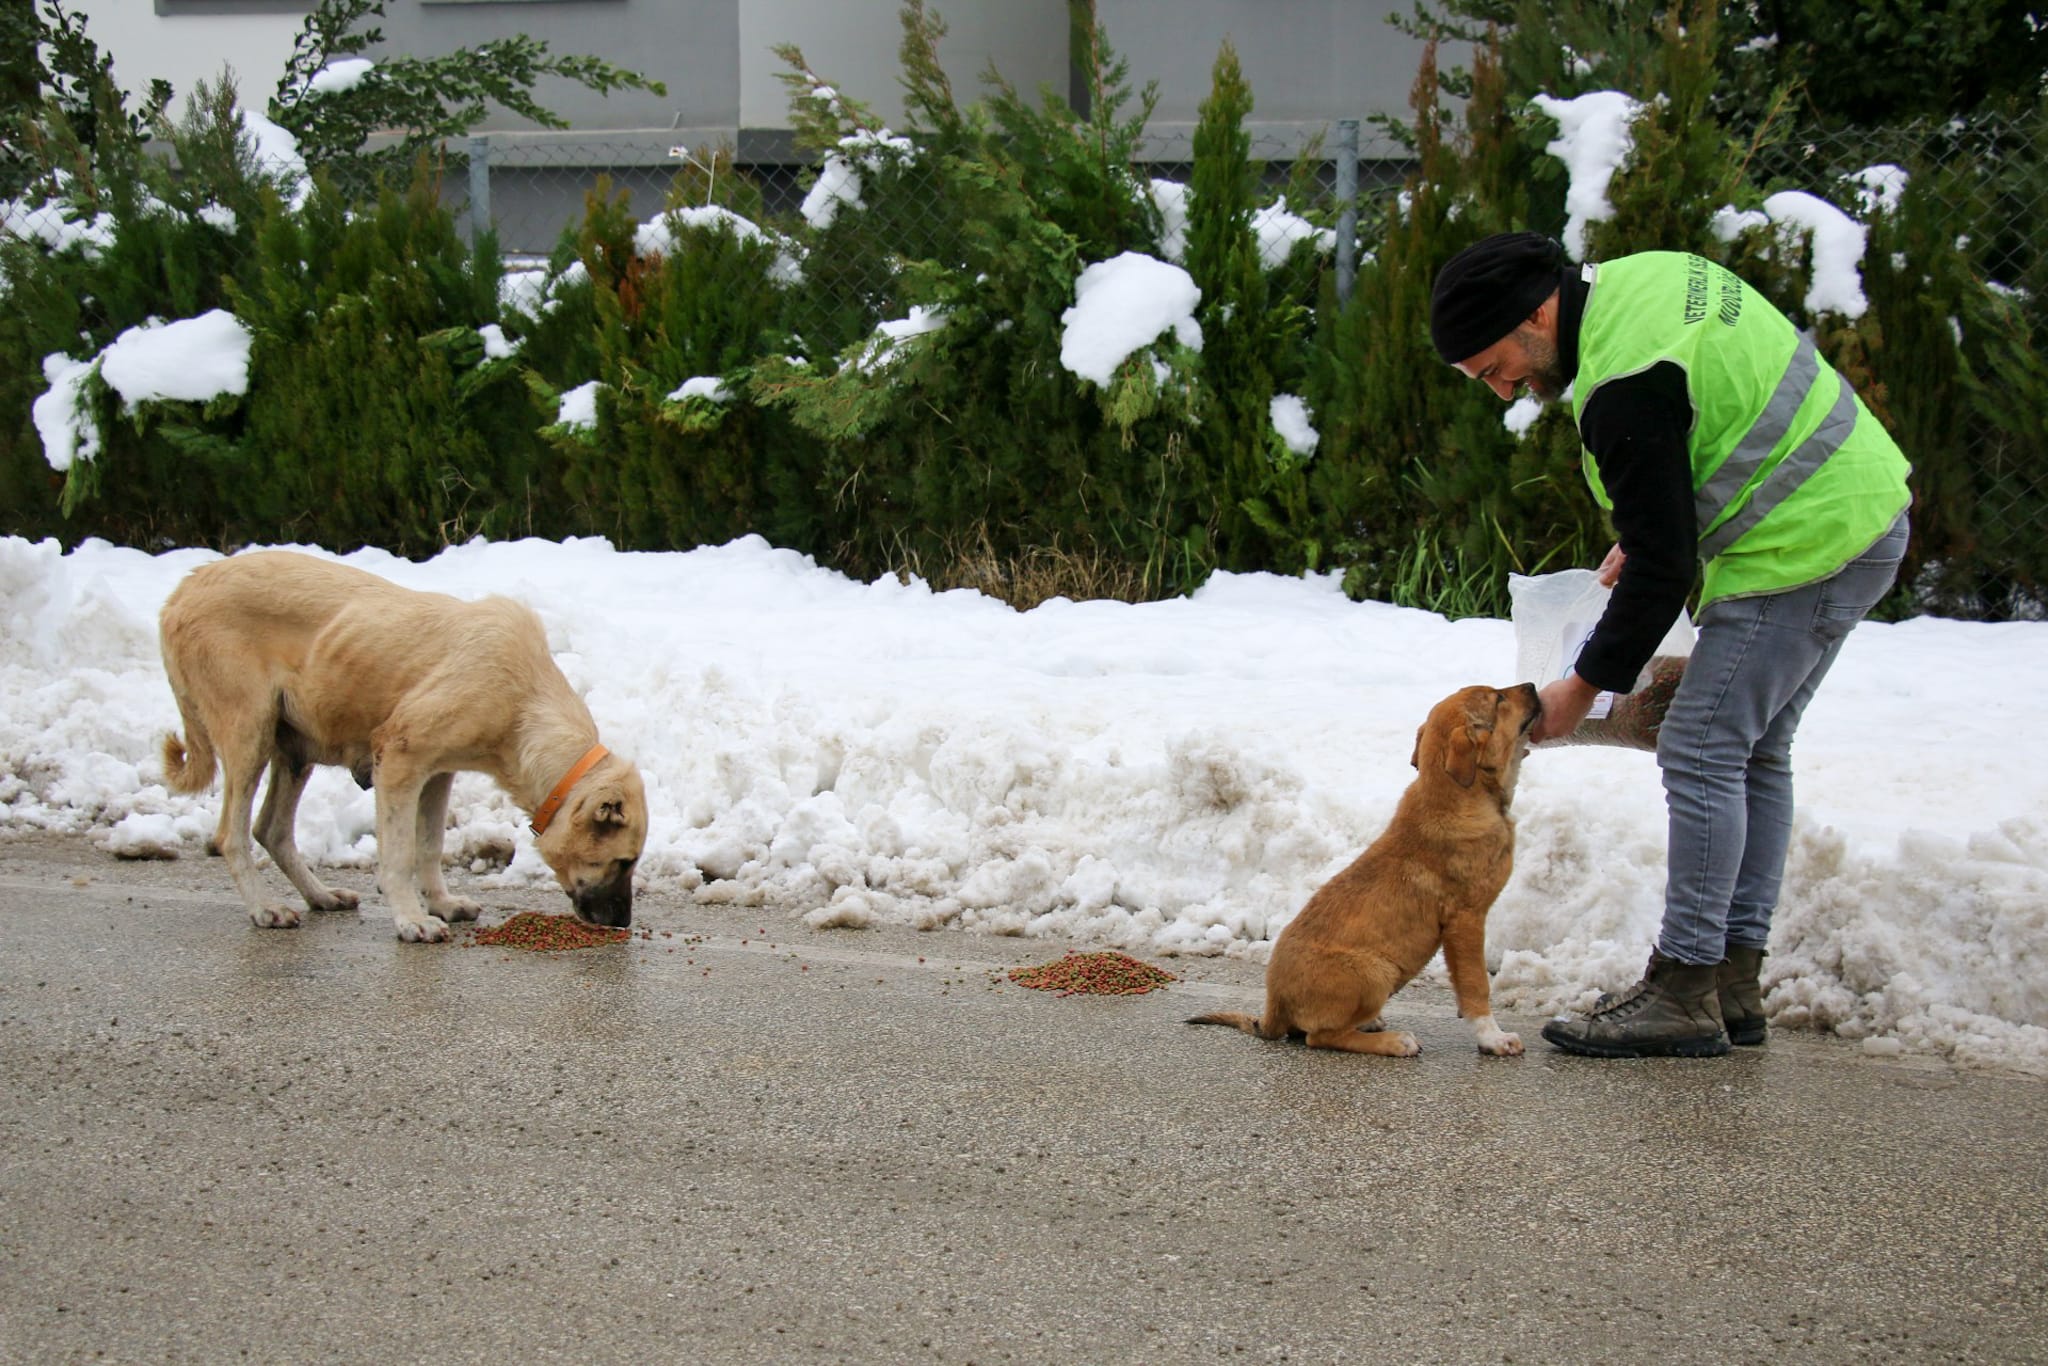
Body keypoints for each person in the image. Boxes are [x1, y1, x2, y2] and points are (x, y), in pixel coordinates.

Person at [1430, 231, 1911, 1058]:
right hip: (1856, 505)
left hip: (1802, 542)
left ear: (1536, 314)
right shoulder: (1637, 284)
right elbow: (1711, 421)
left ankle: (1685, 988)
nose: (1500, 387)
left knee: (1699, 747)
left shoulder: (1620, 384)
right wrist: (1657, 522)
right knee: (1753, 750)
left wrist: (1581, 687)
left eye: (1494, 365)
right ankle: (1732, 986)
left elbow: (1664, 567)